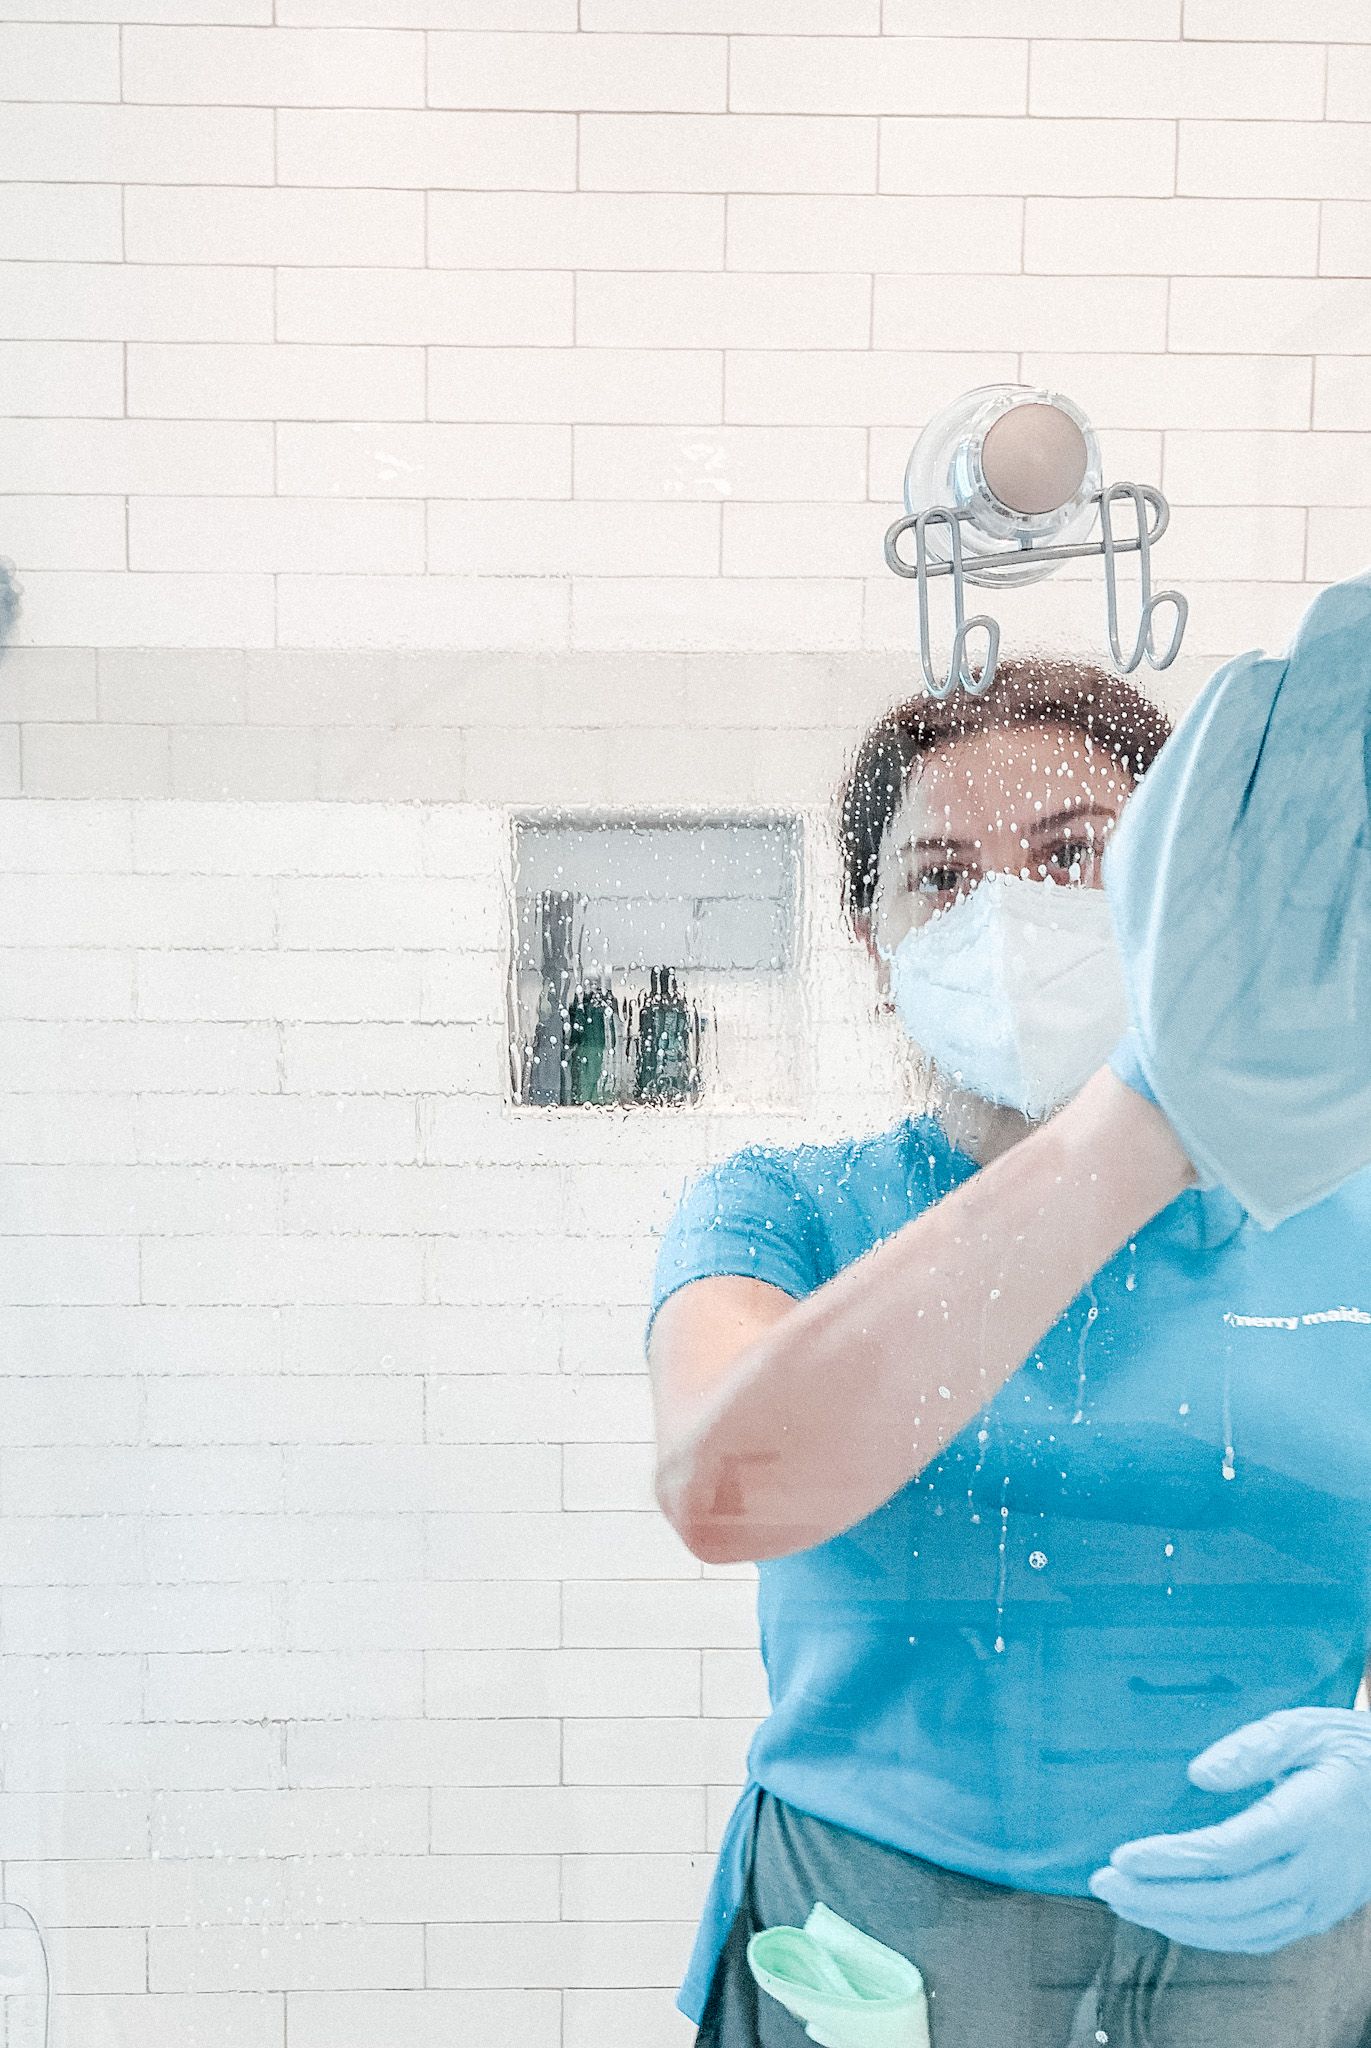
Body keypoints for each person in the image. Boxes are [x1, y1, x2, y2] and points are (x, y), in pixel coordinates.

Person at [644, 652, 1371, 2048]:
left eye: (1074, 854)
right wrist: (1141, 1128)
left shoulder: (1351, 1225)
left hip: (1277, 1959)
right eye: (940, 876)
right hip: (876, 1945)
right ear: (874, 942)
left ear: (1180, 891)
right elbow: (726, 1485)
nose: (1009, 919)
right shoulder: (783, 1214)